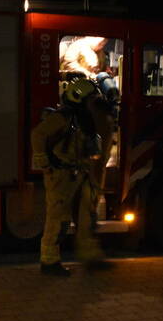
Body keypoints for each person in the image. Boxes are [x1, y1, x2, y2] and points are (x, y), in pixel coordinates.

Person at [30, 76, 111, 276]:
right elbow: (38, 135)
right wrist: (43, 161)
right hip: (61, 175)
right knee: (58, 219)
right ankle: (49, 262)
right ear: (80, 99)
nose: (94, 104)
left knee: (86, 216)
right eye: (91, 100)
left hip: (78, 172)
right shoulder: (62, 117)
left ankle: (90, 256)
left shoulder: (84, 119)